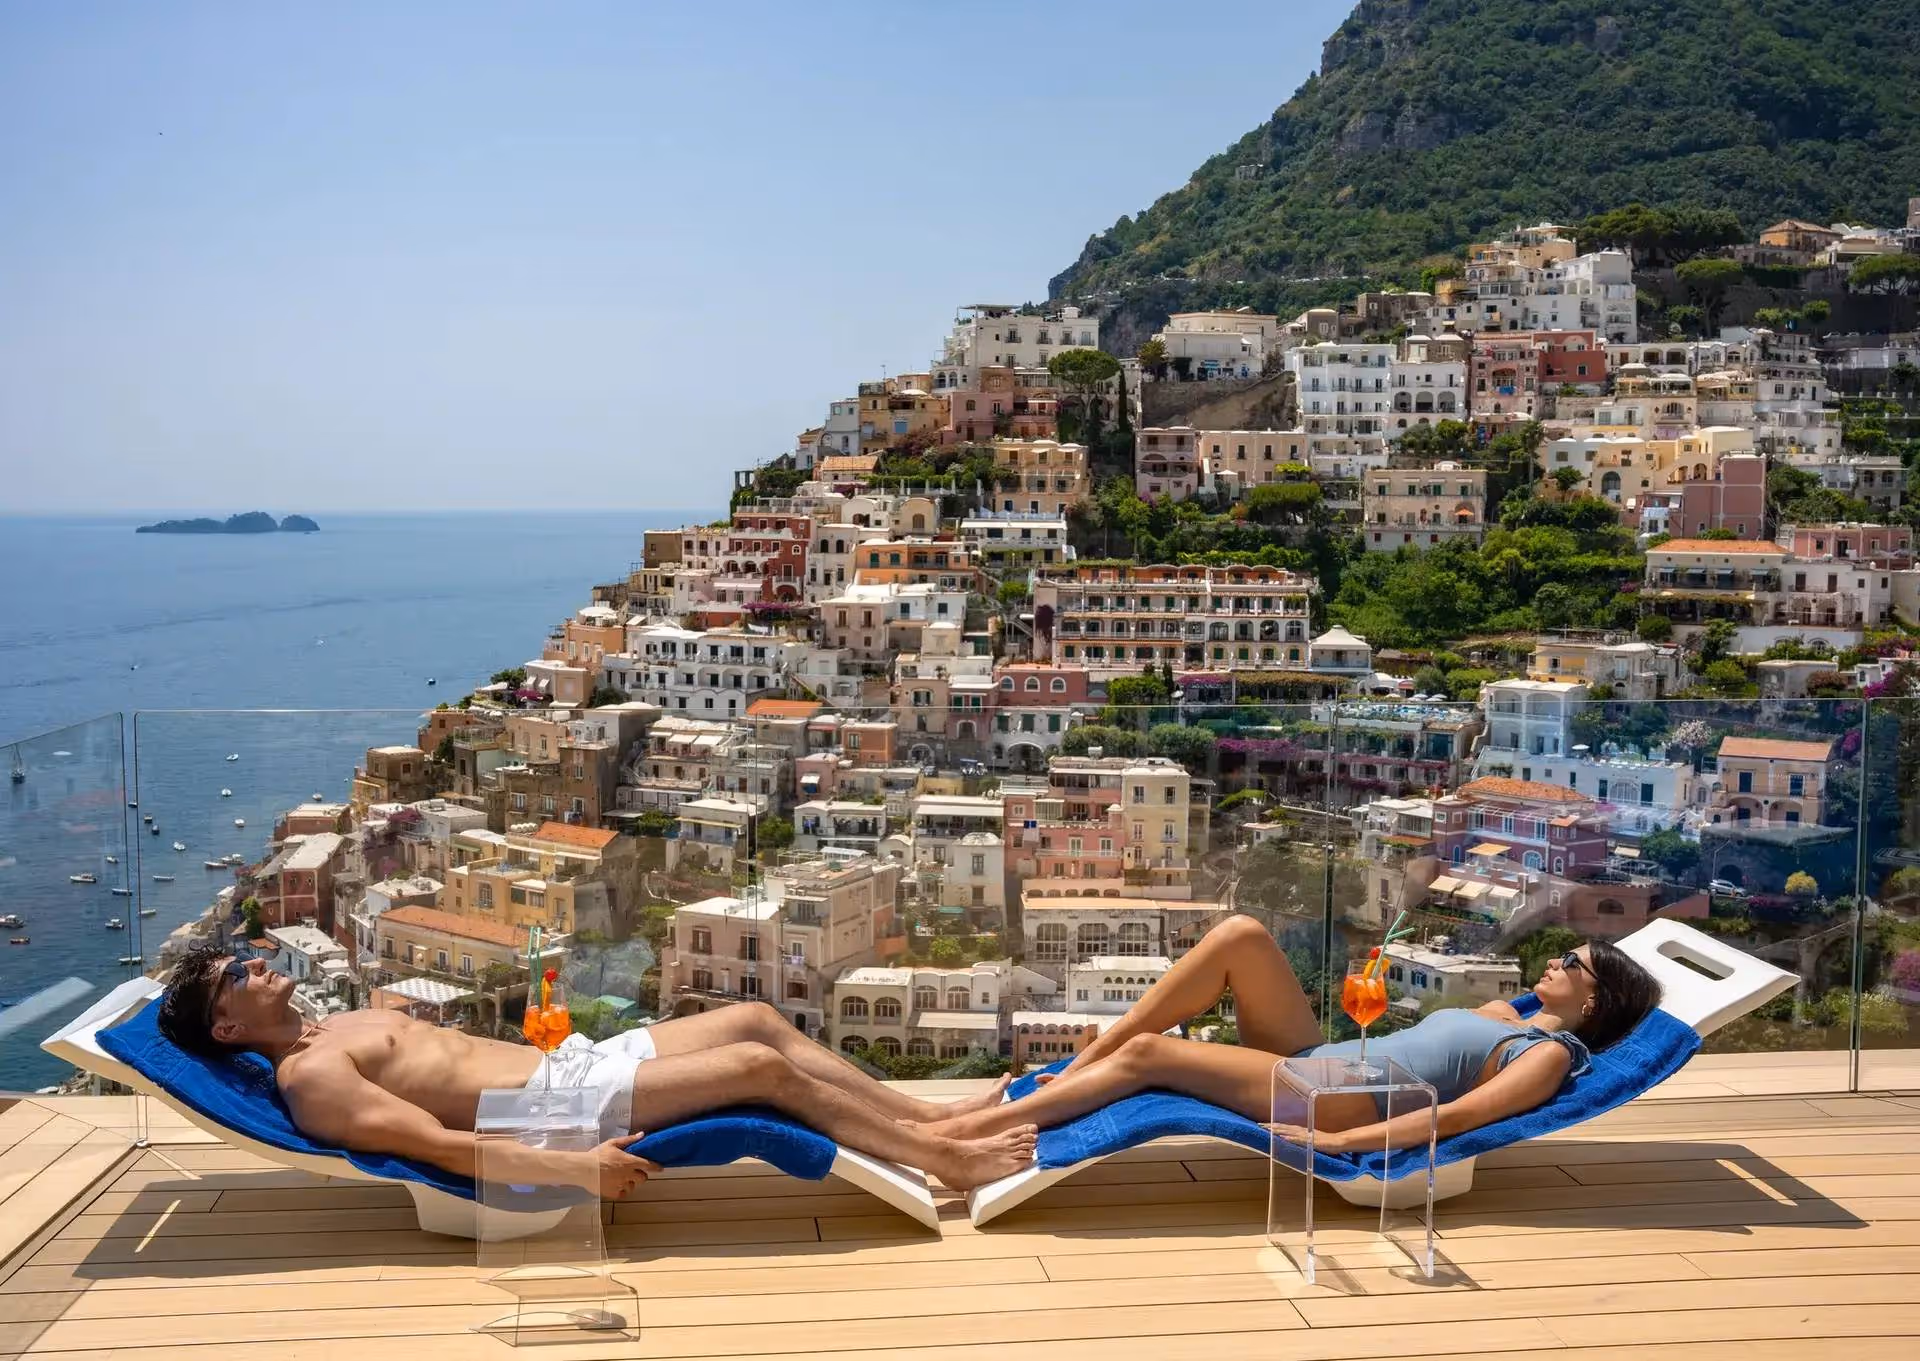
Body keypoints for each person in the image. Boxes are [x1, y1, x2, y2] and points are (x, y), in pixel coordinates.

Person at [156, 945, 1035, 1197]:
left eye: (247, 955)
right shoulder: (312, 1083)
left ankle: (935, 1118)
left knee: (759, 1018)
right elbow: (443, 1145)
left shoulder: (331, 1023)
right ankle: (940, 1158)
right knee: (764, 1068)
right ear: (228, 1023)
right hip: (554, 1110)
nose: (258, 963)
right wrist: (581, 1167)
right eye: (239, 974)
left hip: (568, 1065)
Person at [924, 915, 1660, 1152]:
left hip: (1334, 1099)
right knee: (1241, 936)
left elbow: (1455, 1116)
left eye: (1573, 964)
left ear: (1595, 1002)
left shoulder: (1551, 1056)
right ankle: (1083, 1061)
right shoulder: (1511, 1017)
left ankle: (974, 1129)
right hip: (1323, 1060)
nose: (1556, 961)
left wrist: (1339, 1145)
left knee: (1152, 1055)